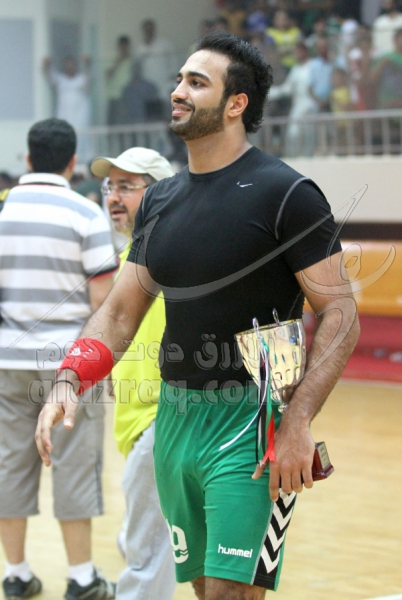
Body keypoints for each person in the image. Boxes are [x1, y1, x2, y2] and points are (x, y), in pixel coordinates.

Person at [36, 32, 360, 600]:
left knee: (232, 594)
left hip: (253, 421)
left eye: (196, 82)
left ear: (237, 103)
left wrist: (298, 419)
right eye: (180, 79)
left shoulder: (287, 193)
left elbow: (341, 313)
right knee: (206, 591)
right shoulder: (161, 200)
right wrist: (71, 377)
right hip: (176, 420)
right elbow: (119, 313)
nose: (177, 91)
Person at [0, 118, 118, 600]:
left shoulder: (1, 212)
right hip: (71, 365)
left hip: (8, 361)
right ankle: (83, 579)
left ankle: (16, 574)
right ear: (72, 162)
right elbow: (103, 304)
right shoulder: (86, 214)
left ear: (28, 159)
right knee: (75, 462)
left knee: (9, 464)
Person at [90, 147, 176, 600]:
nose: (112, 197)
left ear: (161, 193)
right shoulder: (133, 251)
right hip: (138, 421)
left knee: (145, 556)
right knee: (145, 544)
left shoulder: (173, 247)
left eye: (126, 186)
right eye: (110, 186)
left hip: (163, 419)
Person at [269, 41, 318, 156]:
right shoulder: (296, 69)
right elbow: (287, 89)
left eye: (298, 52)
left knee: (309, 138)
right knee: (293, 135)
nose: (295, 55)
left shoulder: (314, 66)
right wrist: (268, 93)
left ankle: (309, 160)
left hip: (311, 107)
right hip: (298, 108)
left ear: (304, 51)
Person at [43, 56, 92, 162]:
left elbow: (88, 78)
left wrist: (88, 64)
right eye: (67, 66)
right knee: (64, 137)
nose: (70, 68)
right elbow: (49, 74)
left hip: (79, 116)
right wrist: (47, 64)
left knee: (80, 138)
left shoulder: (81, 79)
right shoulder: (61, 80)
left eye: (72, 65)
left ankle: (81, 160)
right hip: (65, 115)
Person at [105, 36, 133, 125]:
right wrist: (118, 61)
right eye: (122, 46)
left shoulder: (132, 60)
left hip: (128, 97)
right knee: (113, 124)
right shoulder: (112, 59)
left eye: (126, 46)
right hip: (114, 96)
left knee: (126, 123)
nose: (124, 49)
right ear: (119, 47)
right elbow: (108, 75)